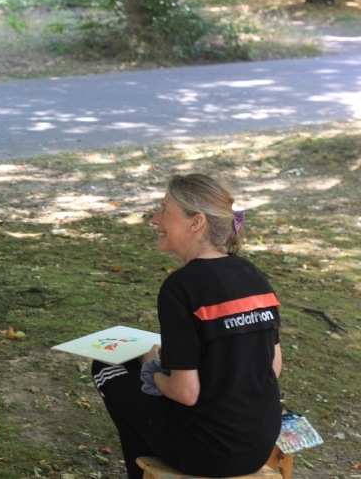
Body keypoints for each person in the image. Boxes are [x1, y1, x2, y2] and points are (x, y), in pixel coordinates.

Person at [91, 174, 282, 478]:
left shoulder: (180, 287)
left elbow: (186, 393)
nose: (155, 219)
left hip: (210, 453)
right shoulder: (252, 274)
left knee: (106, 366)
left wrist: (151, 366)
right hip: (259, 441)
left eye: (165, 211)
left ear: (196, 222)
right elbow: (272, 367)